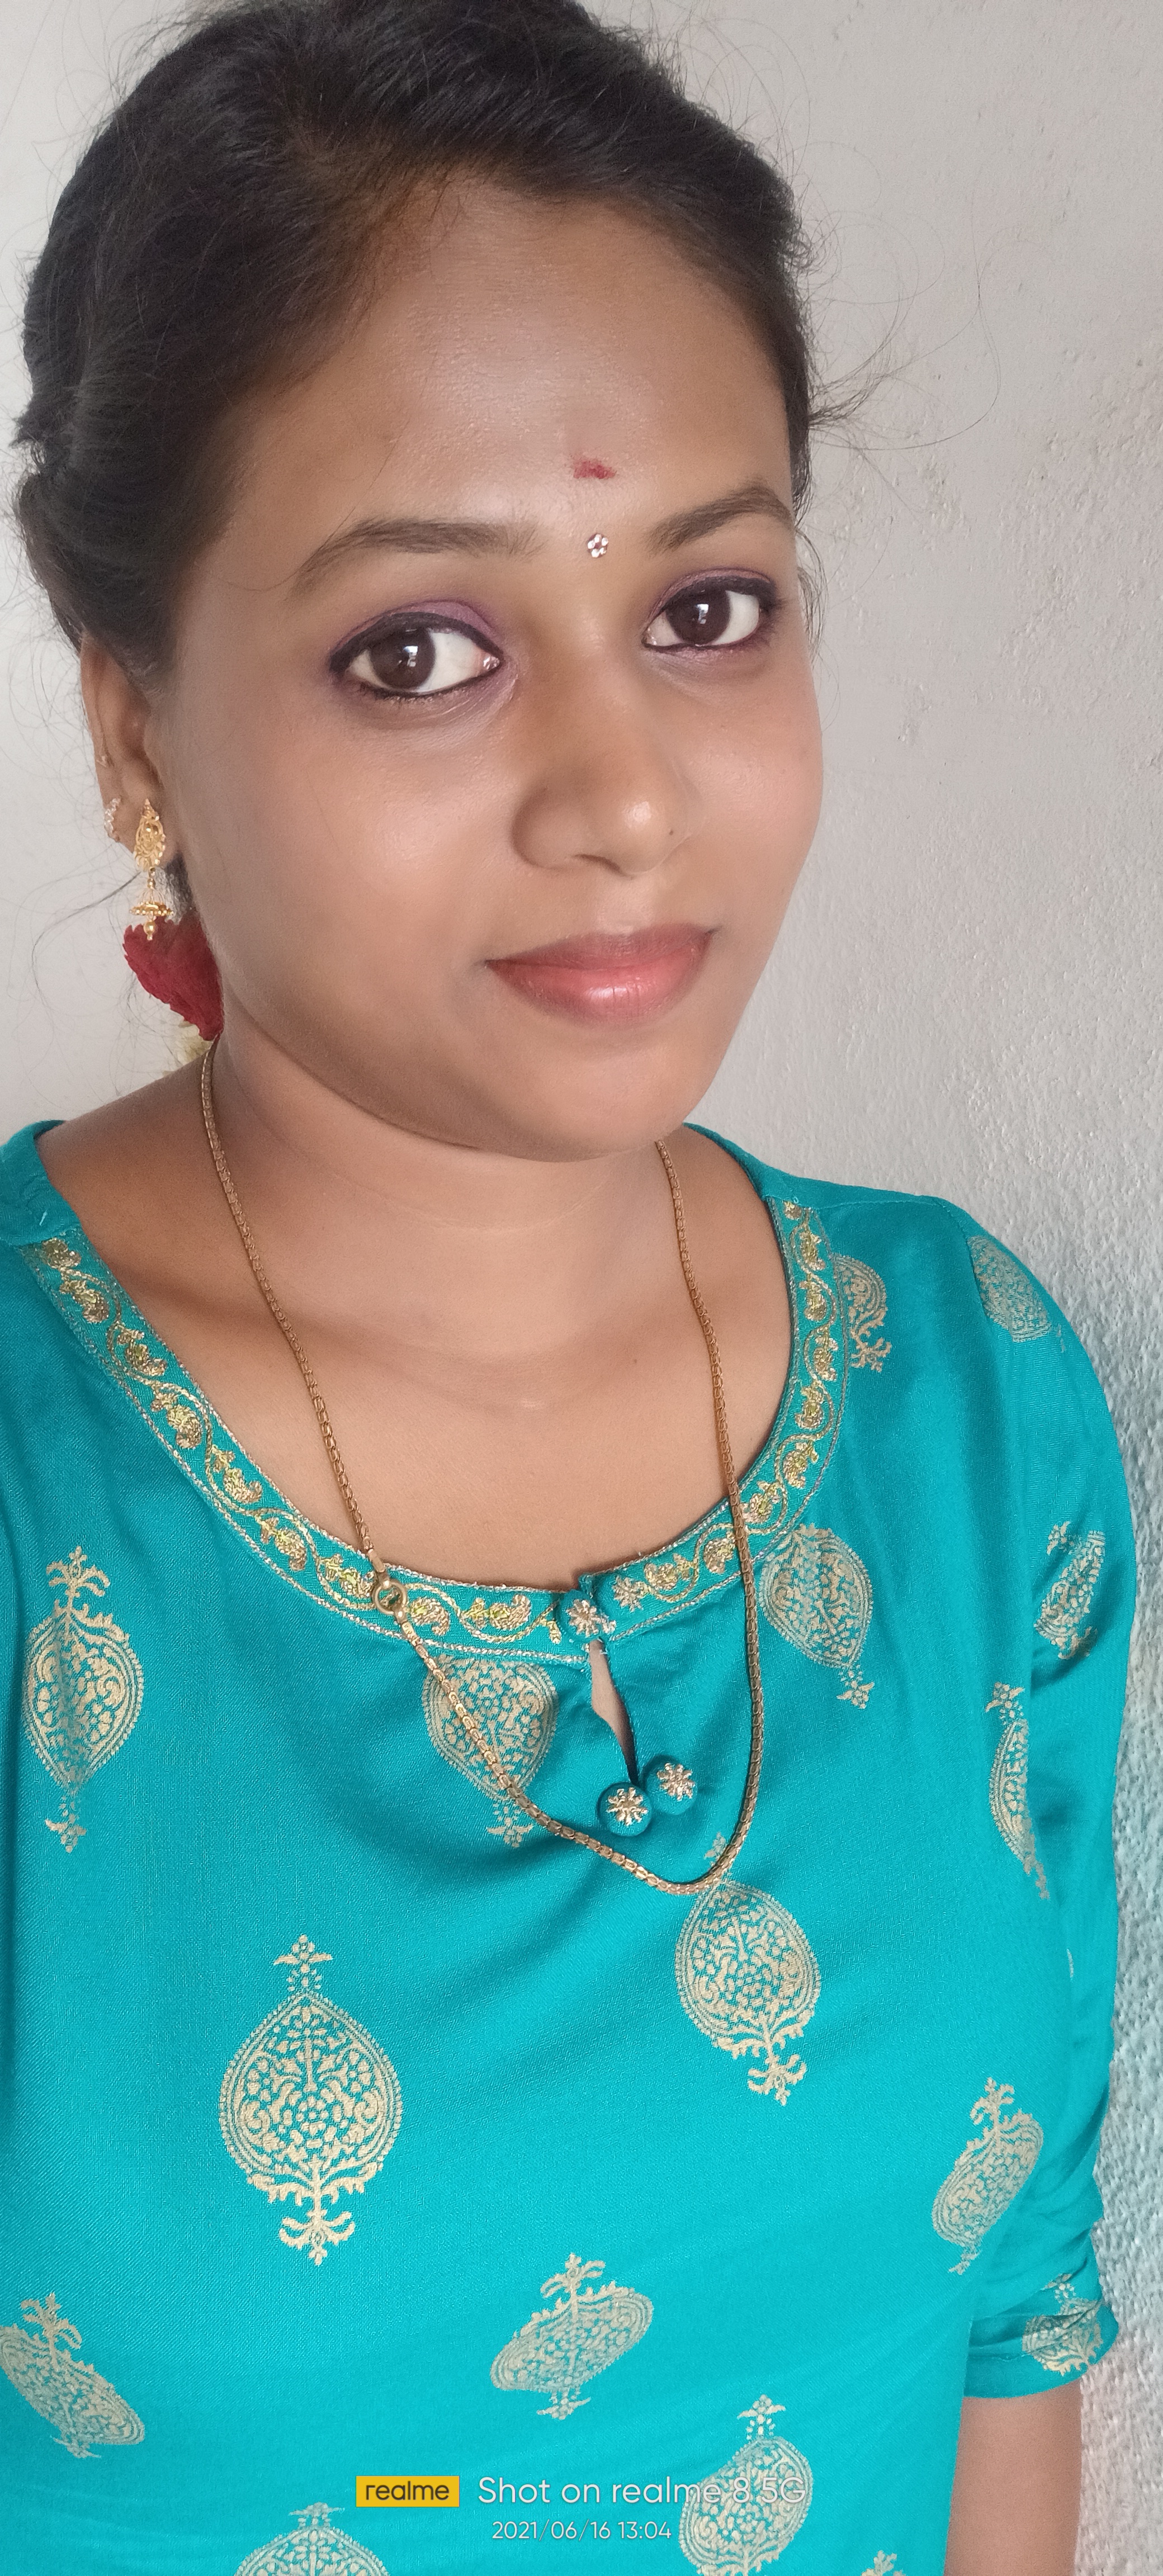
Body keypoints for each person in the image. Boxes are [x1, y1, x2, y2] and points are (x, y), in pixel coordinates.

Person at [0, 3, 1133, 2570]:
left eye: (709, 606)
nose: (625, 798)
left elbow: (1011, 2313)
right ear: (135, 726)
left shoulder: (972, 1398)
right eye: (421, 649)